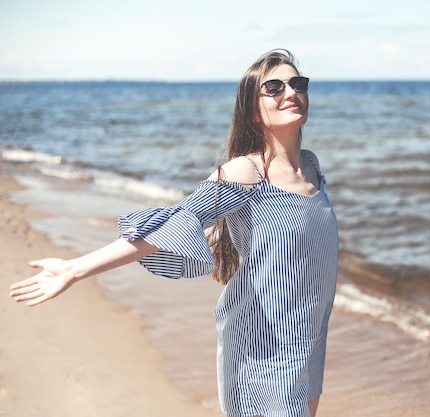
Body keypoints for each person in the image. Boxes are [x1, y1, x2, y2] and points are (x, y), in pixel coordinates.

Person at [9, 49, 338, 417]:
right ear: (250, 109)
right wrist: (75, 269)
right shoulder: (244, 173)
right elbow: (172, 225)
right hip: (261, 343)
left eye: (297, 83)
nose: (290, 91)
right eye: (274, 87)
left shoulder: (310, 165)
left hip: (308, 335)